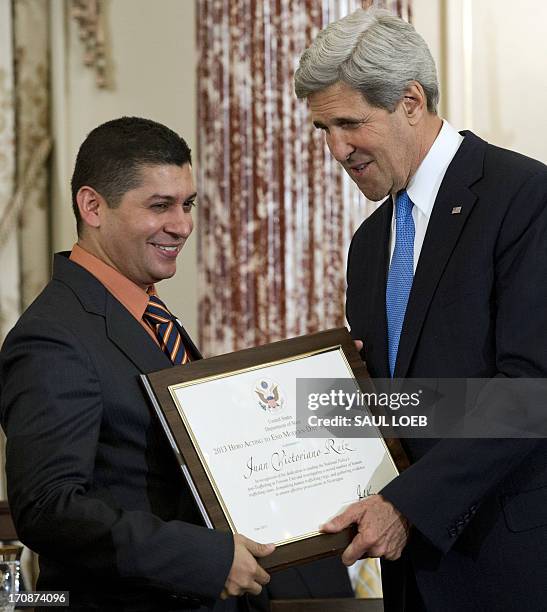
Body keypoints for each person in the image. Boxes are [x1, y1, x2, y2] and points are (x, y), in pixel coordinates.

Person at [294, 8, 547, 612]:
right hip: (411, 574)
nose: (336, 149)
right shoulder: (369, 241)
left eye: (349, 123)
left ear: (410, 100)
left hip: (507, 566)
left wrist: (408, 505)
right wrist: (346, 388)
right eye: (322, 129)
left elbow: (530, 389)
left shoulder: (525, 199)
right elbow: (412, 398)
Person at [0, 117, 276, 611]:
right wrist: (204, 558)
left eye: (187, 204)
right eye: (159, 206)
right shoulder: (52, 336)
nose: (182, 225)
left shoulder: (147, 312)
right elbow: (48, 507)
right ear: (92, 207)